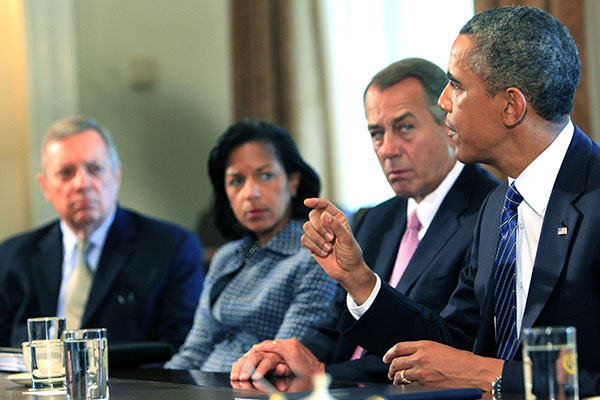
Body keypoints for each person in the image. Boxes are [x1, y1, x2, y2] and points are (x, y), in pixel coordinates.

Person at [294, 5, 600, 397]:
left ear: (511, 106)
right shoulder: (498, 208)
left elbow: (484, 368)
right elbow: (450, 345)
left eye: (456, 85)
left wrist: (489, 375)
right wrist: (360, 280)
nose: (442, 101)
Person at [230, 58, 499, 382]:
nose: (388, 149)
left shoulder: (492, 212)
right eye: (376, 133)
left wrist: (323, 374)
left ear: (447, 123)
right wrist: (286, 357)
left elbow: (446, 348)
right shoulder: (373, 219)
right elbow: (335, 325)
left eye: (405, 128)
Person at [0, 116, 204, 354]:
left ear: (116, 175)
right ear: (45, 186)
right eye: (66, 173)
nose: (82, 183)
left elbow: (178, 350)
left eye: (95, 169)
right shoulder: (12, 256)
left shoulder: (171, 248)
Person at [164, 118, 337, 372]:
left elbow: (283, 359)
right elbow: (194, 351)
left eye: (265, 176)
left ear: (293, 181)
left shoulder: (315, 254)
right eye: (236, 181)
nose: (250, 193)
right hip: (203, 388)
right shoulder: (227, 257)